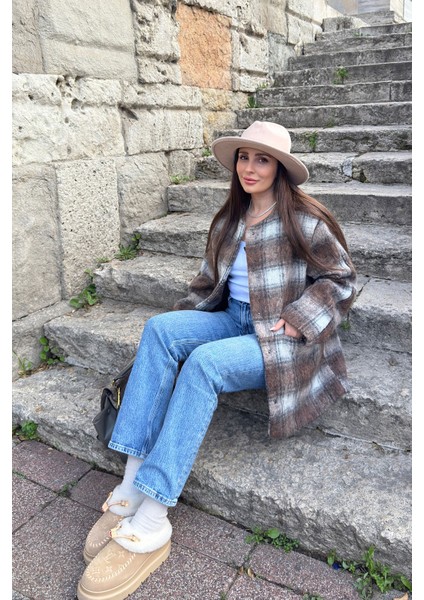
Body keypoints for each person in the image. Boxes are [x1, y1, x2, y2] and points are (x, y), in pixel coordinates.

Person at [77, 121, 356, 600]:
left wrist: (299, 318)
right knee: (160, 330)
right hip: (232, 318)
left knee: (204, 364)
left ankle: (153, 518)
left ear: (280, 169)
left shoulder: (305, 220)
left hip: (279, 335)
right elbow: (208, 284)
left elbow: (342, 279)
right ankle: (131, 485)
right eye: (245, 157)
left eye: (262, 160)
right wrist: (180, 328)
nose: (250, 167)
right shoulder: (230, 219)